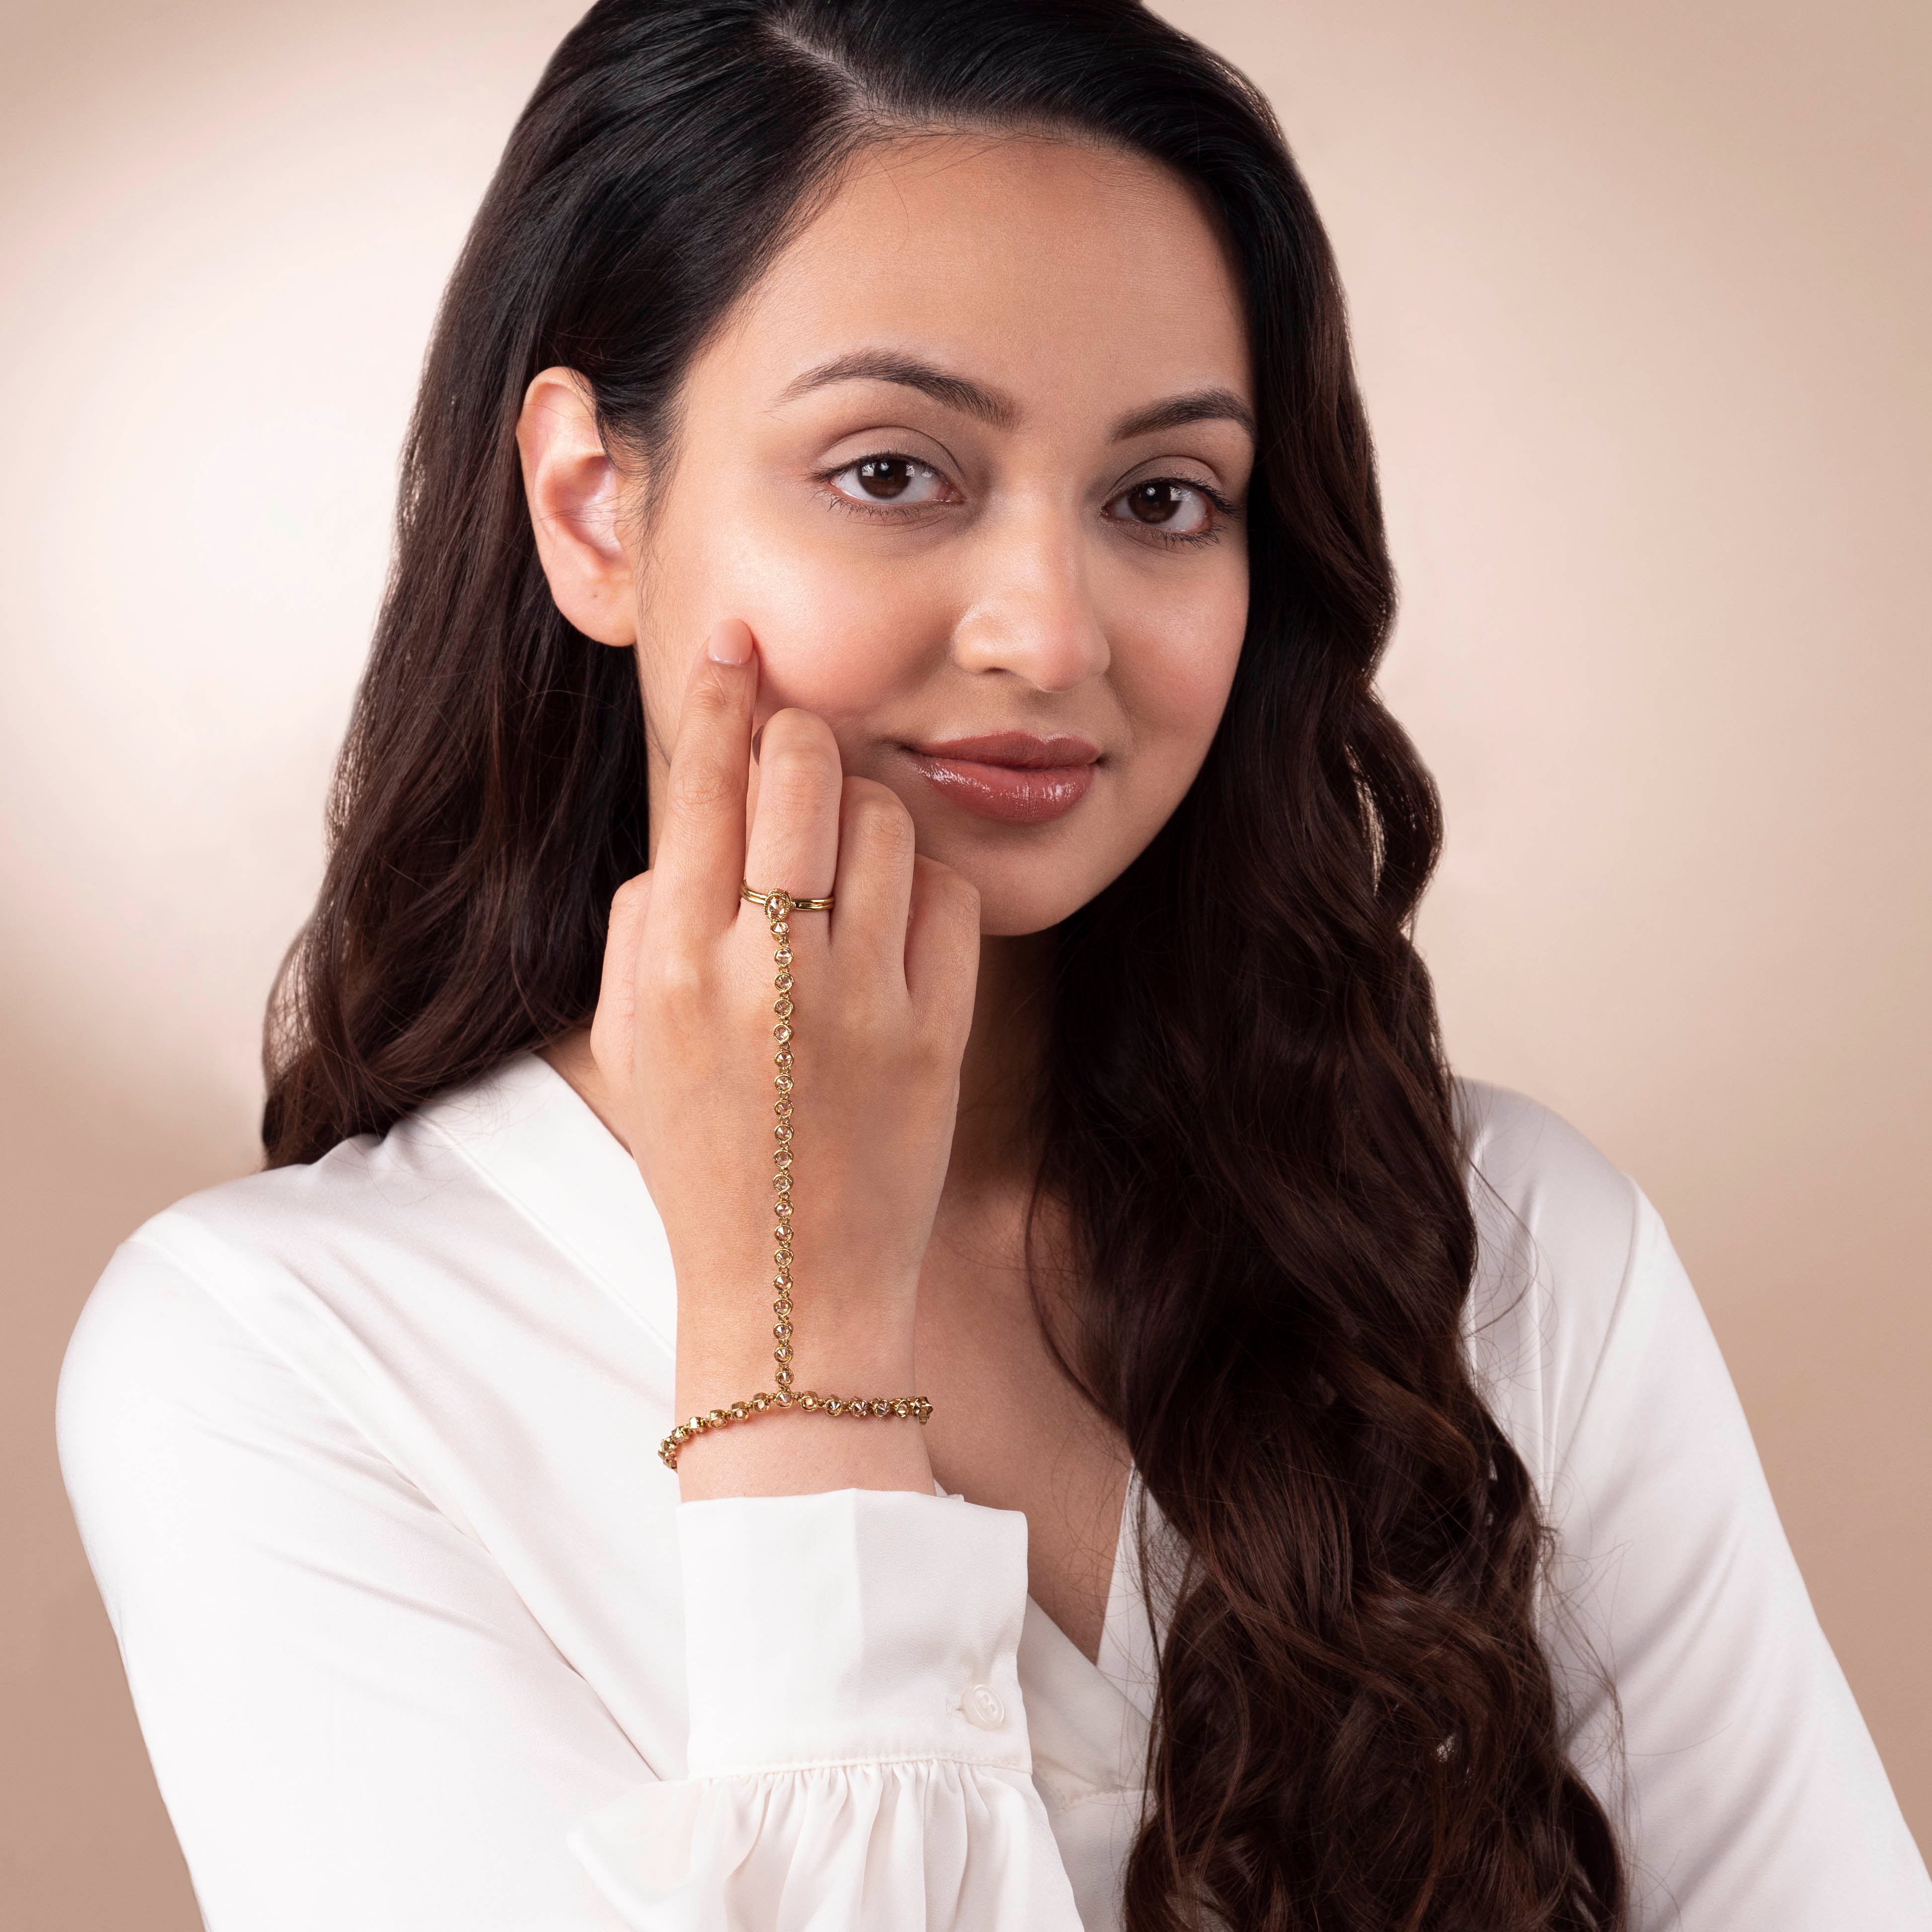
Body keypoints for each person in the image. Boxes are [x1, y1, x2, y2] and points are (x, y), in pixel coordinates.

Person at [55, 2, 1931, 1928]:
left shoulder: (1509, 1247)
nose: (1050, 631)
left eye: (1160, 499)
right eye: (892, 471)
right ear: (592, 504)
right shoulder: (283, 1367)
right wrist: (802, 1362)